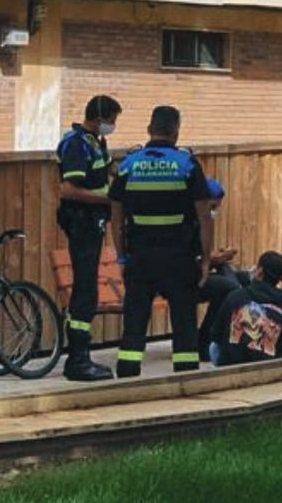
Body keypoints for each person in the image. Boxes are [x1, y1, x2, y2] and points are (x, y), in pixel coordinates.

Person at [109, 105, 213, 378]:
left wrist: (121, 257)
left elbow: (116, 218)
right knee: (184, 322)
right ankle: (186, 379)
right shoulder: (187, 164)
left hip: (140, 257)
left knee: (134, 322)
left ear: (149, 130)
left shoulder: (129, 165)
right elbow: (204, 217)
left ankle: (127, 377)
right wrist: (206, 260)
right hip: (179, 257)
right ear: (176, 132)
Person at [55, 94, 121, 381]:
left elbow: (105, 172)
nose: (113, 126)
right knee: (84, 291)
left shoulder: (95, 142)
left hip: (93, 223)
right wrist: (106, 199)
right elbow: (68, 190)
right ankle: (78, 360)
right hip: (81, 223)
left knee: (88, 289)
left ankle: (82, 357)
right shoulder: (76, 144)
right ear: (99, 117)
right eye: (112, 121)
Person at [209, 251, 282, 366]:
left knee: (213, 347)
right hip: (265, 367)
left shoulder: (235, 296)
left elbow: (216, 335)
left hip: (230, 364)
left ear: (259, 272)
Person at [197, 178, 247, 361]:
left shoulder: (205, 219)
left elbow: (202, 255)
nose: (215, 211)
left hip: (199, 273)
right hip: (184, 279)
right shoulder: (193, 219)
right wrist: (215, 259)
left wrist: (218, 257)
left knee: (241, 278)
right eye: (213, 206)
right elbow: (191, 259)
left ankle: (217, 337)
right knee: (230, 288)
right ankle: (206, 340)